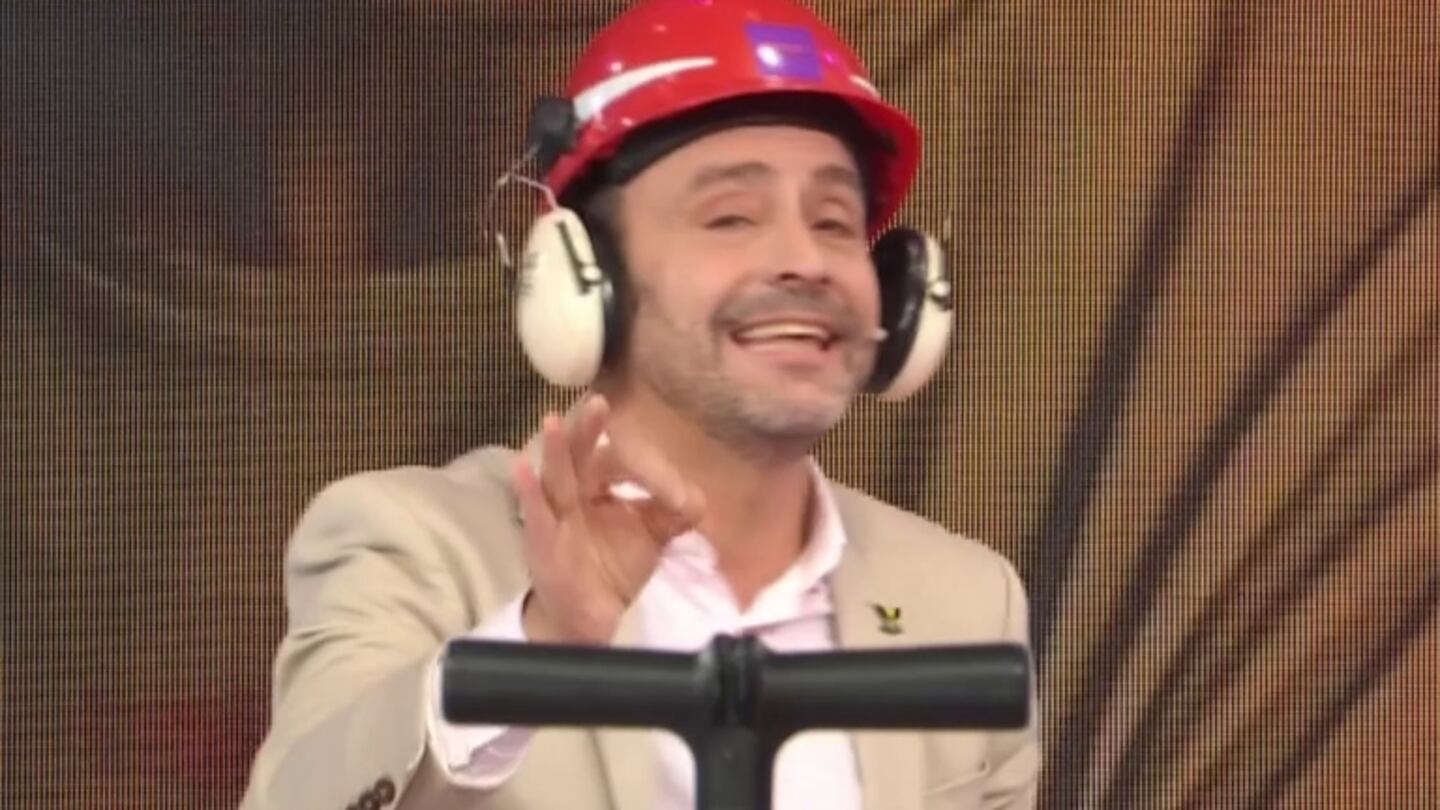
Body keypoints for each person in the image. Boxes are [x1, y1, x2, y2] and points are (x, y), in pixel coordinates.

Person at [240, 1, 1040, 808]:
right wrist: (540, 640)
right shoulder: (411, 545)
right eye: (731, 217)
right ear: (585, 275)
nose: (806, 260)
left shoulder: (969, 601)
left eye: (835, 222)